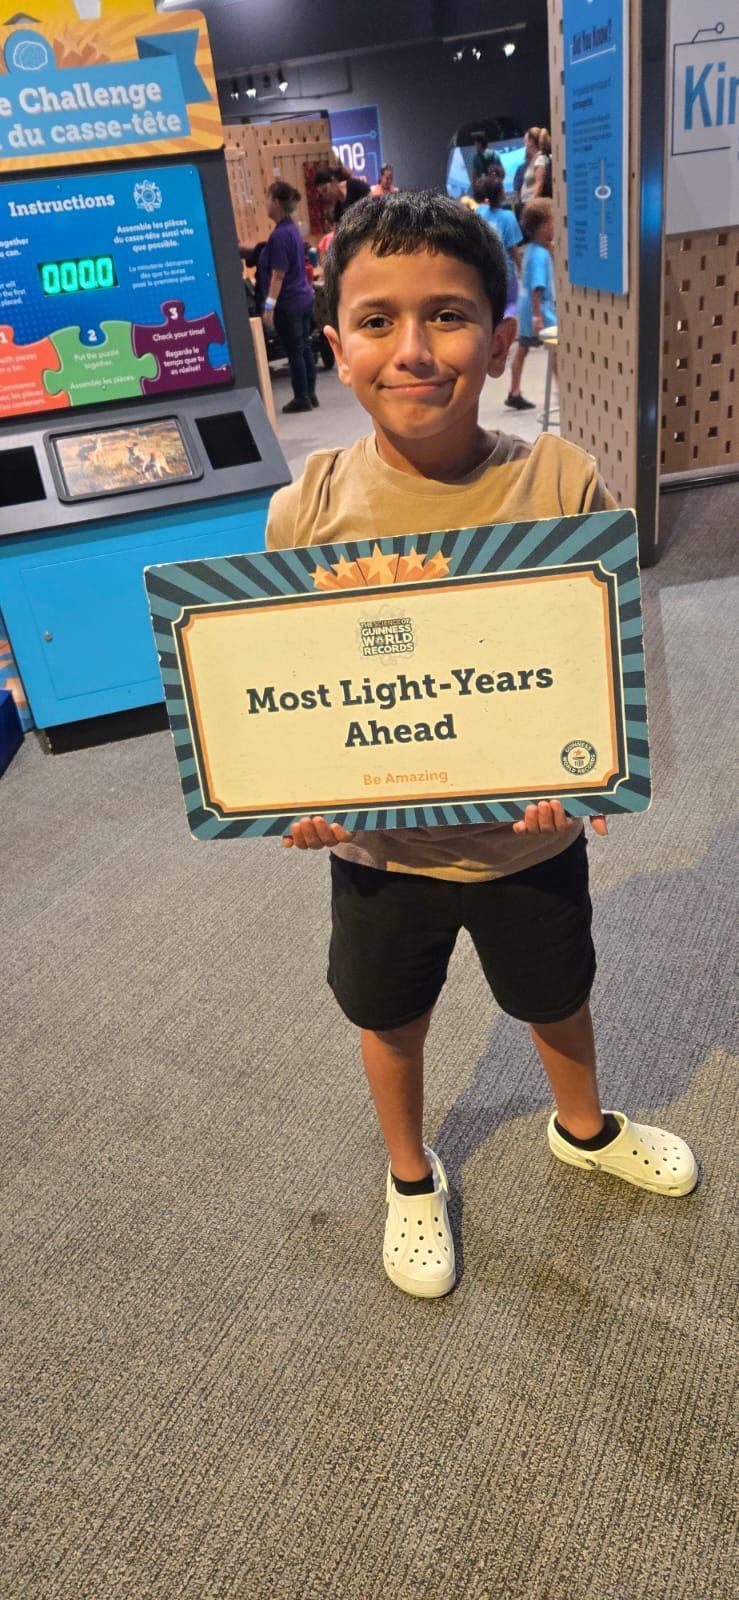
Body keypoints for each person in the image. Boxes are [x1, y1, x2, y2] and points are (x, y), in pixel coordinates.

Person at [265, 191, 697, 1302]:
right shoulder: (306, 508)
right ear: (335, 345)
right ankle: (410, 1175)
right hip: (378, 852)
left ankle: (582, 1127)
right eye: (376, 320)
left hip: (525, 838)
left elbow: (604, 653)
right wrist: (294, 798)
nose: (412, 349)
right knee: (389, 1016)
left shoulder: (558, 481)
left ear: (501, 338)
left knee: (556, 993)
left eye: (448, 316)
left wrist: (589, 764)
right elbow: (286, 691)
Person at [259, 180, 317, 414]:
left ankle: (301, 397)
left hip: (289, 302)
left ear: (276, 202)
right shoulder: (292, 229)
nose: (265, 204)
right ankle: (310, 394)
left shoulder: (279, 236)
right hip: (303, 298)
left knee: (295, 351)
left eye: (267, 198)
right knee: (304, 348)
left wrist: (268, 306)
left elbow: (278, 275)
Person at [506, 195, 556, 411]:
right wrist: (537, 315)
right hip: (540, 310)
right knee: (557, 348)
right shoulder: (539, 255)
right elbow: (538, 286)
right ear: (544, 225)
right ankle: (564, 388)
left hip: (526, 308)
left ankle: (514, 390)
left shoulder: (534, 250)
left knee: (524, 348)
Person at [475, 173, 523, 320]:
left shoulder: (480, 212)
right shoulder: (508, 217)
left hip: (486, 269)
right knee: (511, 302)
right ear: (501, 194)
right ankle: (506, 325)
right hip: (505, 272)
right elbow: (512, 249)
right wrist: (521, 267)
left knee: (491, 302)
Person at [519, 127, 551, 208]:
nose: (525, 145)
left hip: (533, 207)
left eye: (526, 141)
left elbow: (539, 185)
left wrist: (532, 206)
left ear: (531, 141)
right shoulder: (536, 159)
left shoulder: (540, 159)